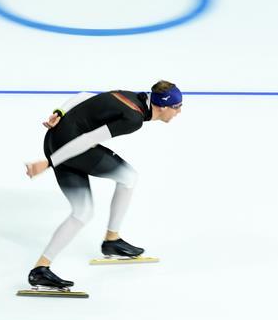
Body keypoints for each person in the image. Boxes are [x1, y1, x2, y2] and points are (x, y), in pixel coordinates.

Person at [24, 81, 183, 290]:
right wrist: (50, 162)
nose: (179, 112)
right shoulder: (134, 118)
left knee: (83, 211)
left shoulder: (132, 96)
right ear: (162, 106)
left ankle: (40, 270)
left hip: (56, 139)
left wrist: (59, 112)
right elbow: (89, 139)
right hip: (69, 146)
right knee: (128, 177)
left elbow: (84, 94)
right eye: (177, 106)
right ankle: (111, 241)